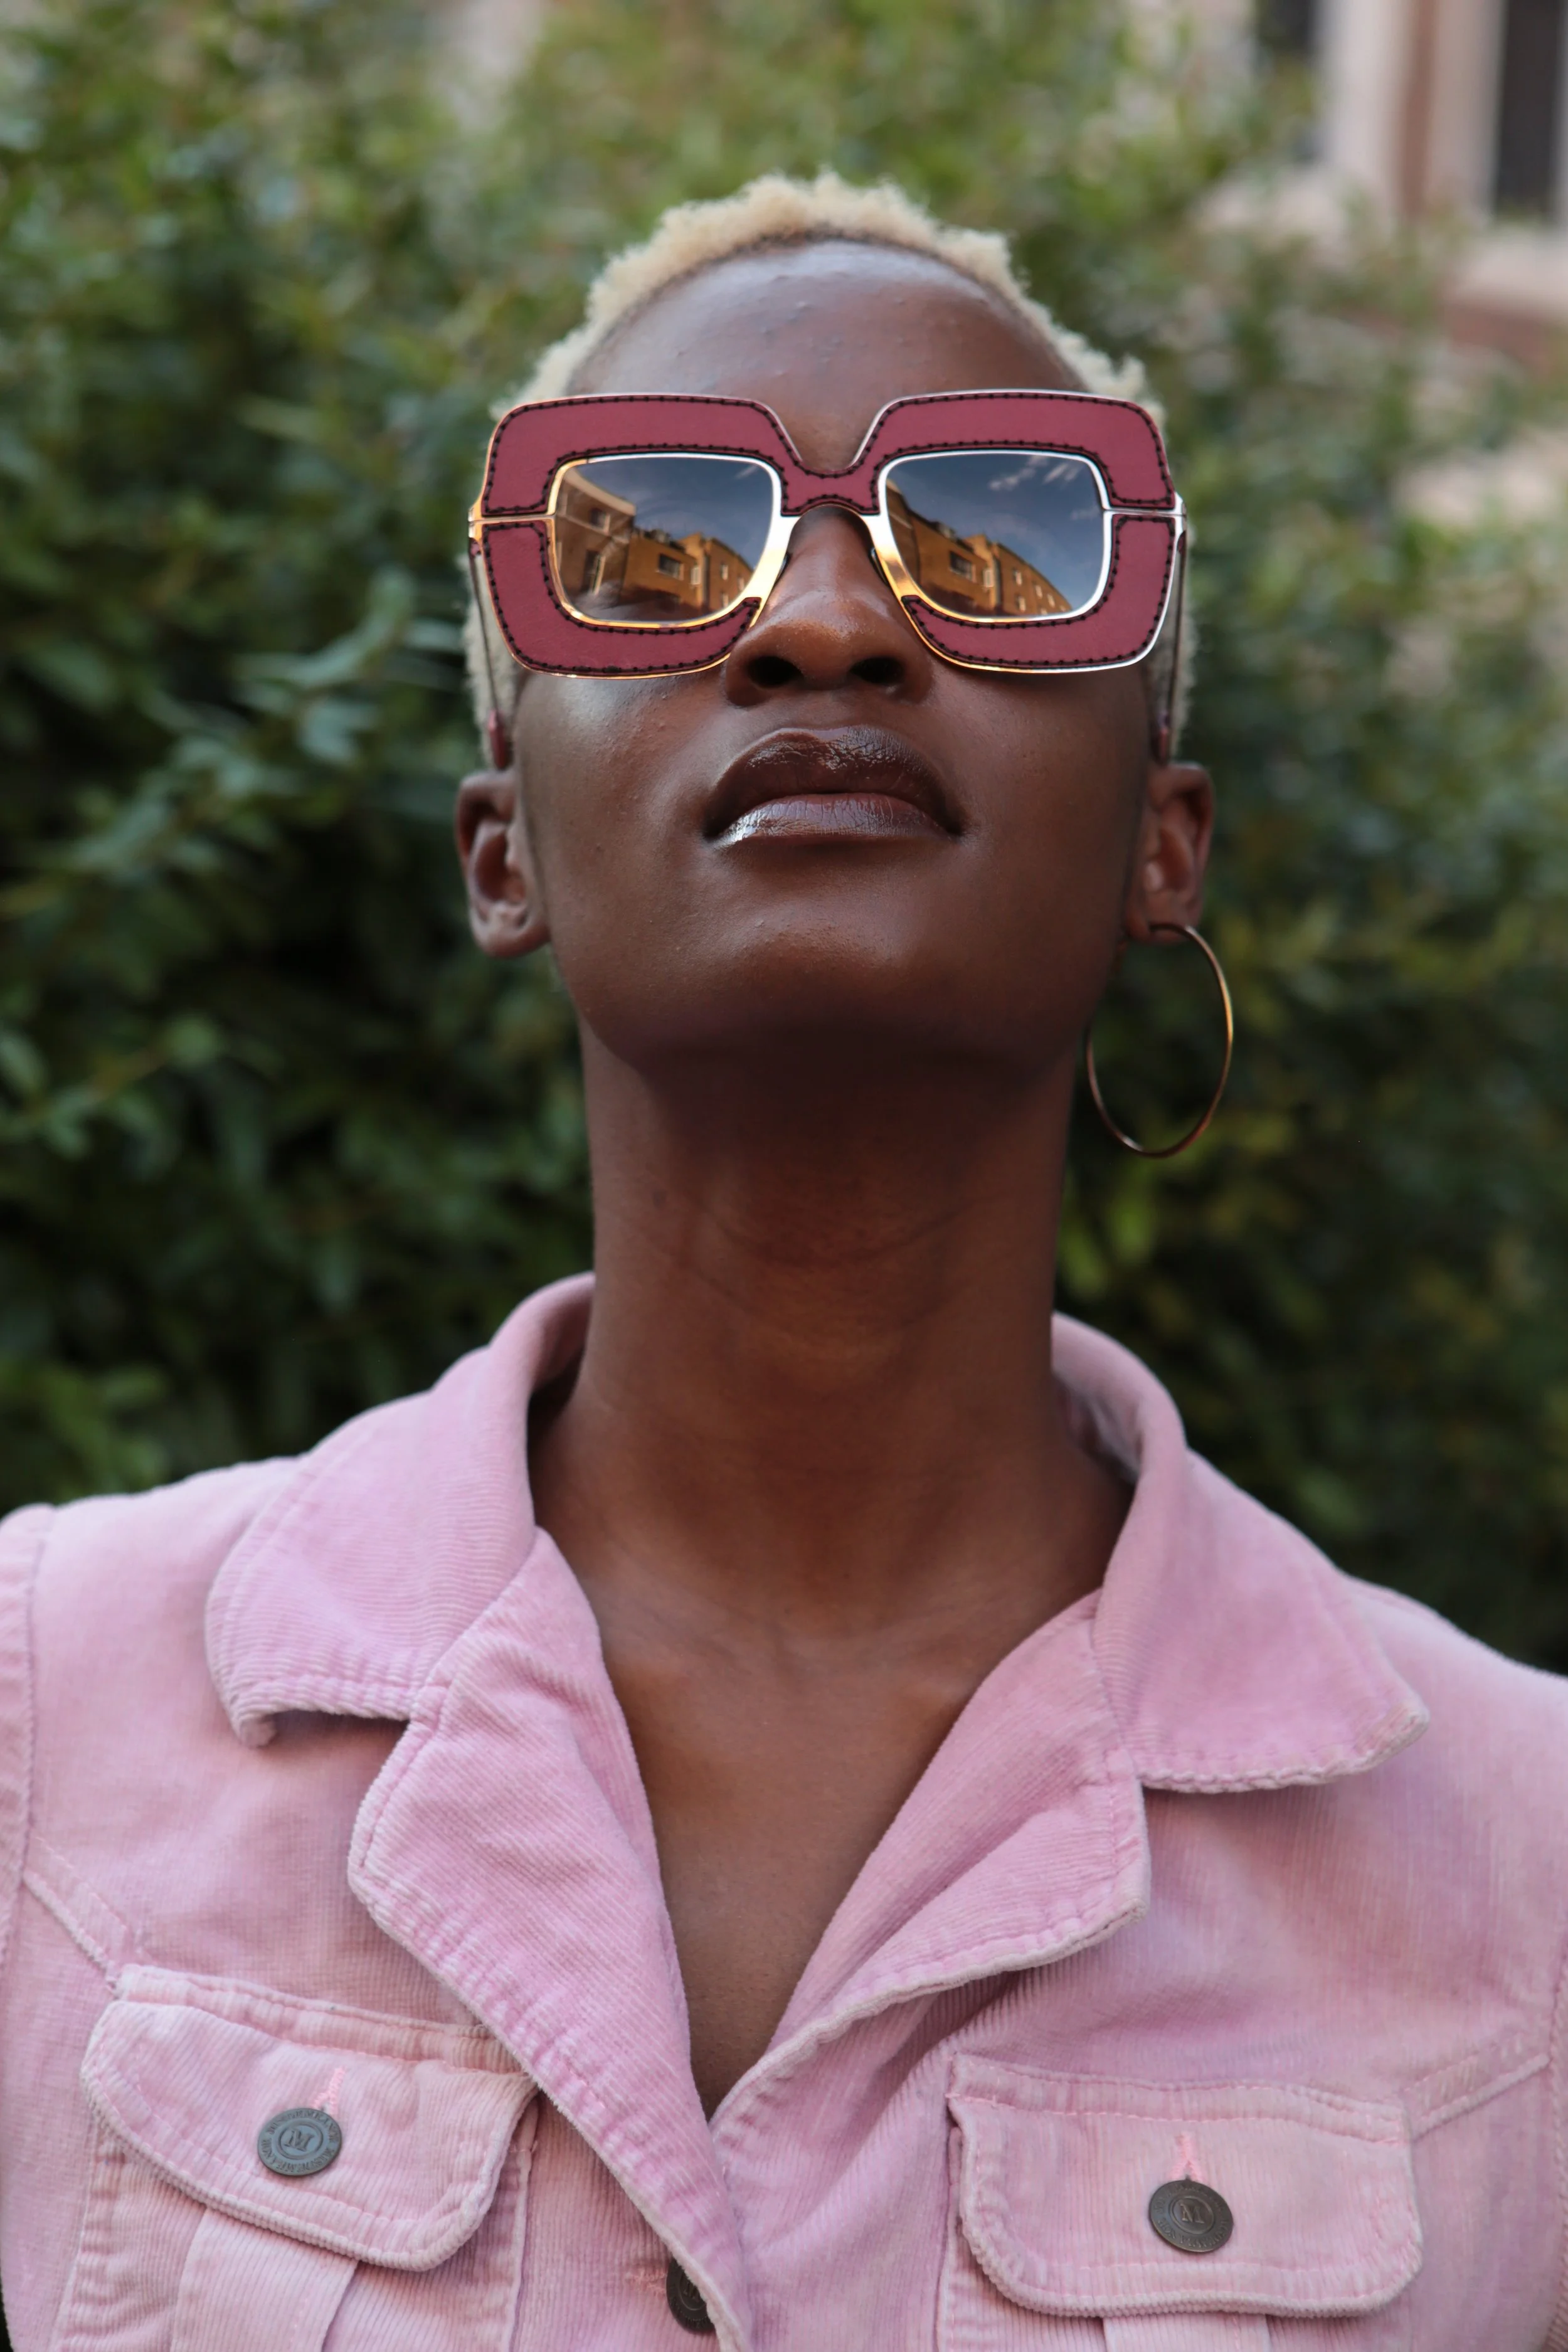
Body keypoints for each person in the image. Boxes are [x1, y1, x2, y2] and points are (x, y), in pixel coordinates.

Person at [1, 171, 1565, 2352]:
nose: (822, 620)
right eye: (653, 538)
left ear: (1156, 839)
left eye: (998, 534)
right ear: (502, 848)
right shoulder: (37, 1711)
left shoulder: (1531, 1878)